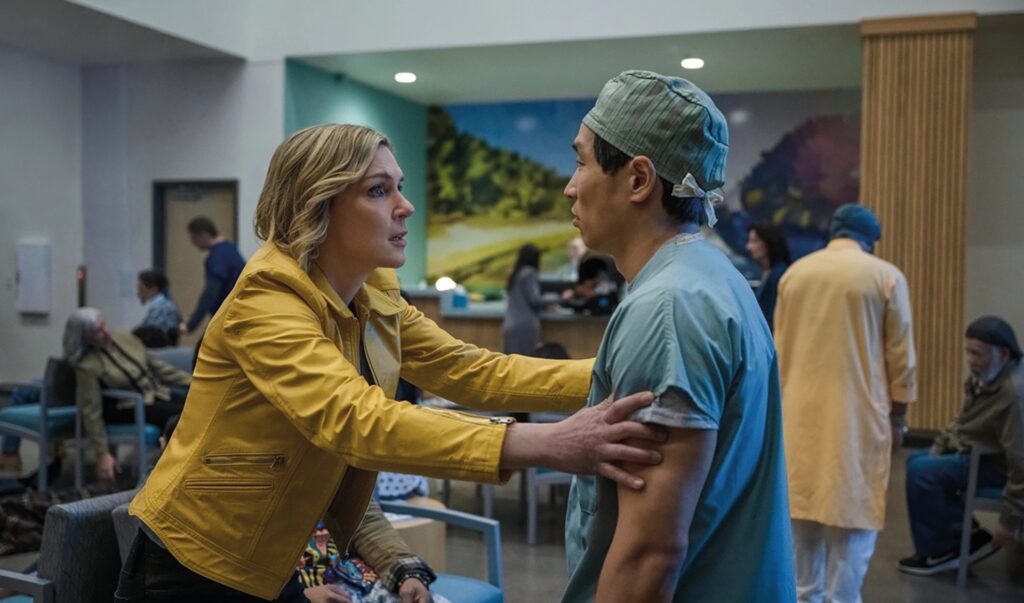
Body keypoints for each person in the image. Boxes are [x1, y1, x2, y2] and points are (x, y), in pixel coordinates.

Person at [117, 124, 665, 602]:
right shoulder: (266, 299)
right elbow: (357, 420)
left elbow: (471, 370)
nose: (406, 206)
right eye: (379, 191)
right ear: (318, 205)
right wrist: (547, 442)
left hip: (270, 559)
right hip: (192, 565)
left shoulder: (372, 290)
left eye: (399, 187)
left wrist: (628, 365)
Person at [560, 70, 795, 602]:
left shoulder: (667, 309)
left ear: (639, 179)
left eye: (581, 162)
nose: (570, 186)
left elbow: (649, 557)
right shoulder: (709, 277)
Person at [774, 203, 917, 603]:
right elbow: (901, 355)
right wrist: (900, 415)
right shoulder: (885, 276)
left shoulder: (795, 275)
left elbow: (778, 350)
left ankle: (805, 596)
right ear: (869, 239)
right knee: (853, 520)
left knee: (800, 521)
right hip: (858, 418)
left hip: (797, 415)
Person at [899, 316, 1024, 575]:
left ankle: (940, 550)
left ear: (1003, 354)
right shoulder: (986, 376)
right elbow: (962, 420)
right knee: (917, 461)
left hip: (996, 467)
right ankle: (964, 535)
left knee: (922, 473)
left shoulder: (1014, 395)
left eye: (977, 354)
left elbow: (1020, 464)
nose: (970, 360)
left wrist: (1009, 520)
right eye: (968, 352)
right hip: (976, 453)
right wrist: (939, 447)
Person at [64, 307, 191, 483]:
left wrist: (195, 381)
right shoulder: (87, 365)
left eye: (104, 325)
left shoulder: (125, 339)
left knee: (194, 402)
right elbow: (90, 410)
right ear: (86, 337)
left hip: (153, 393)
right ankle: (178, 471)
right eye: (97, 331)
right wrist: (102, 453)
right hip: (125, 406)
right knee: (180, 414)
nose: (105, 332)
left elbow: (160, 369)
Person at [179, 216, 246, 335]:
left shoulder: (218, 256)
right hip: (238, 313)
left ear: (203, 235)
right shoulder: (230, 249)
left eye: (194, 239)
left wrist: (191, 324)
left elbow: (210, 293)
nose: (194, 244)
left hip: (228, 316)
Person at [502, 243, 549, 355]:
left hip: (510, 325)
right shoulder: (529, 273)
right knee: (525, 361)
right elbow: (535, 299)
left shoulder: (516, 273)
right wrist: (560, 298)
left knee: (510, 361)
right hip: (524, 326)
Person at [745, 222, 791, 331]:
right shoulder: (767, 272)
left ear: (768, 243)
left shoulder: (779, 274)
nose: (748, 247)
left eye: (754, 241)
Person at [136, 269, 182, 344]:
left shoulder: (159, 307)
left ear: (154, 288)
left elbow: (150, 334)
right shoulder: (166, 303)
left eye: (141, 288)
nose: (138, 293)